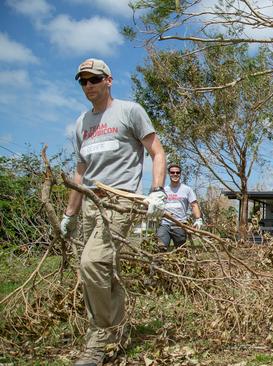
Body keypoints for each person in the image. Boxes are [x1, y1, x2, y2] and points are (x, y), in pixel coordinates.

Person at [59, 58, 167, 366]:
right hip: (90, 202)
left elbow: (157, 152)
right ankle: (118, 331)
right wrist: (70, 213)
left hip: (121, 200)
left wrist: (157, 191)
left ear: (109, 80)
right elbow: (80, 172)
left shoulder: (130, 111)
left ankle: (98, 338)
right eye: (83, 81)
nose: (89, 85)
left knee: (92, 262)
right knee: (101, 271)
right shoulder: (81, 123)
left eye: (94, 79)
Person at [156, 164, 203, 250]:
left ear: (180, 174)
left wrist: (198, 219)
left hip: (180, 225)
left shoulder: (187, 189)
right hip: (165, 224)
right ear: (169, 174)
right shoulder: (163, 190)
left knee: (181, 251)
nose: (175, 174)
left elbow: (194, 204)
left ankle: (182, 263)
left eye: (177, 172)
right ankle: (157, 263)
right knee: (160, 247)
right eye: (172, 172)